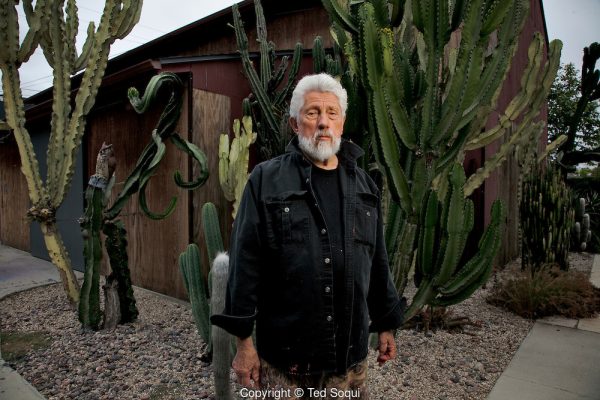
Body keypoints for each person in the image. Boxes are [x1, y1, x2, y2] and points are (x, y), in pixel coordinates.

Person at [211, 73, 405, 399]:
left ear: (342, 124)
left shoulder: (365, 187)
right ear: (294, 123)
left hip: (349, 361)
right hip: (285, 363)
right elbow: (245, 264)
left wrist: (386, 322)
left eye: (332, 113)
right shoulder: (266, 181)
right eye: (313, 113)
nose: (323, 123)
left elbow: (377, 261)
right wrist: (244, 344)